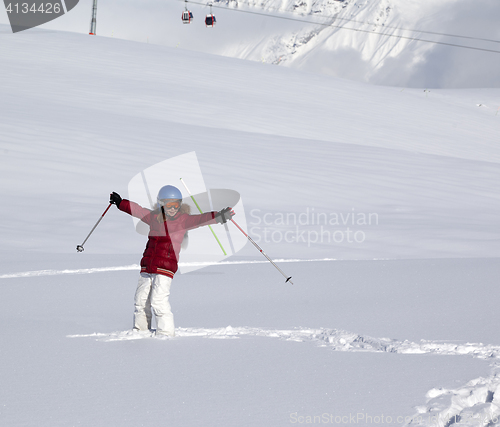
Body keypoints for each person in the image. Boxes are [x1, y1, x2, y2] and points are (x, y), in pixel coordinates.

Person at [109, 185, 234, 337]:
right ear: (161, 204)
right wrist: (121, 202)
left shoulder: (183, 220)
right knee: (141, 301)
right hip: (147, 266)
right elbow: (138, 210)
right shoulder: (154, 218)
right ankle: (140, 332)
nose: (173, 208)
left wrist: (220, 216)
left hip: (165, 267)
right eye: (169, 204)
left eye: (176, 204)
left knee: (158, 301)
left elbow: (202, 219)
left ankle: (166, 334)